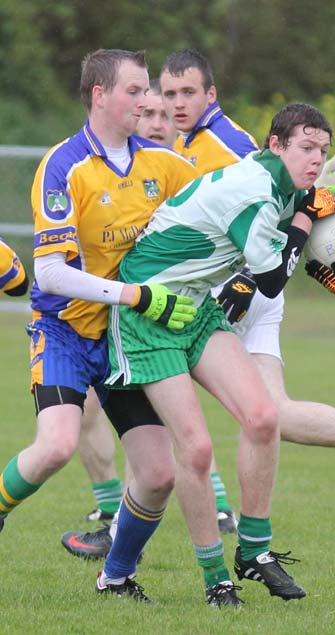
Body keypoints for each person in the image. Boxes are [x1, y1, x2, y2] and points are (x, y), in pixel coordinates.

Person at [67, 48, 335, 562]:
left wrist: (310, 222)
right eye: (166, 94)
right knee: (266, 415)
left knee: (178, 410)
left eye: (186, 93)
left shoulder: (232, 143)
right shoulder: (182, 142)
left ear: (211, 95)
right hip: (223, 286)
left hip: (233, 292)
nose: (173, 104)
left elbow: (269, 209)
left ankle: (135, 533)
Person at [98, 102, 335, 608]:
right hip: (147, 313)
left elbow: (295, 240)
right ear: (274, 145)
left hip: (193, 309)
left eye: (322, 149)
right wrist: (306, 213)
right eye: (305, 147)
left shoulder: (281, 183)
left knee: (261, 418)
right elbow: (273, 280)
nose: (316, 159)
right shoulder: (256, 191)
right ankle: (216, 581)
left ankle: (254, 551)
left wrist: (325, 230)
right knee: (195, 450)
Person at [0, 50, 199, 609]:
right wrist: (138, 294)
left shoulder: (162, 163)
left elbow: (229, 191)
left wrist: (304, 196)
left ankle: (115, 575)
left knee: (159, 474)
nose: (148, 102)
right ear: (99, 95)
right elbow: (51, 273)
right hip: (64, 332)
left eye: (148, 92)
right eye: (136, 91)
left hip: (125, 339)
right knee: (57, 446)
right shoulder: (63, 166)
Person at [67, 78, 181, 542]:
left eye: (163, 114)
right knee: (86, 418)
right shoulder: (92, 167)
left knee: (184, 429)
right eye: (146, 111)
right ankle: (113, 515)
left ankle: (217, 515)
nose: (154, 122)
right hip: (104, 320)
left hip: (162, 320)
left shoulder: (181, 171)